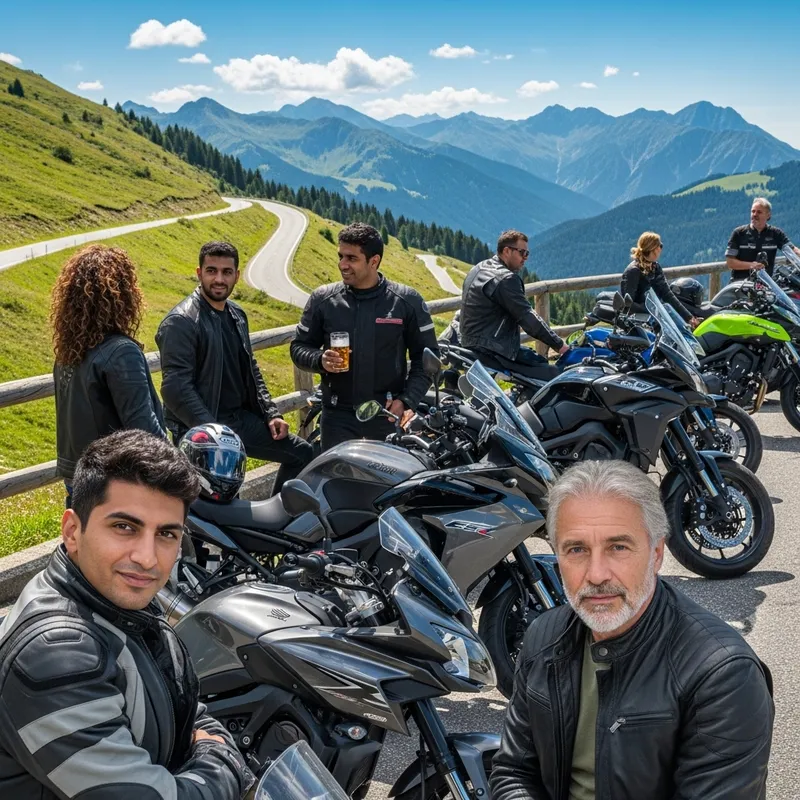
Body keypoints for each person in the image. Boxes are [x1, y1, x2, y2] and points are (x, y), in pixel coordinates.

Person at [491, 459, 773, 800]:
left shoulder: (723, 675)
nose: (596, 575)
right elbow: (514, 770)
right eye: (577, 549)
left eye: (618, 547)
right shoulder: (543, 636)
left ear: (656, 554)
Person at [0, 430, 254, 799]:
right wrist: (223, 758)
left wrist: (208, 744)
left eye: (167, 534)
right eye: (124, 527)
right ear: (72, 531)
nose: (147, 558)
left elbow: (184, 705)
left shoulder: (113, 602)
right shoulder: (55, 654)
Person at [156, 241, 312, 494]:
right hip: (200, 431)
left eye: (226, 272)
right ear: (199, 273)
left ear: (237, 276)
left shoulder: (237, 314)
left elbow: (250, 367)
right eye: (211, 271)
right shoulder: (181, 322)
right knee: (217, 502)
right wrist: (213, 436)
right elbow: (175, 389)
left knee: (302, 453)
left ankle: (277, 523)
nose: (219, 279)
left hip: (238, 421)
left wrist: (271, 413)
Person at [290, 223, 438, 451]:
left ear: (374, 261)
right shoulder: (323, 299)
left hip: (386, 415)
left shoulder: (407, 301)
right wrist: (320, 360)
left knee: (387, 484)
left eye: (351, 258)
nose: (342, 264)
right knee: (338, 482)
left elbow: (427, 360)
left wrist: (406, 401)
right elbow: (299, 347)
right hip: (337, 417)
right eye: (340, 256)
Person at [50, 244, 165, 502]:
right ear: (123, 295)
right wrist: (178, 465)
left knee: (81, 542)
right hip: (116, 483)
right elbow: (144, 427)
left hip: (78, 479)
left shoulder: (69, 353)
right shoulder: (120, 352)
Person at [460, 229, 569, 381]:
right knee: (552, 374)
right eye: (522, 252)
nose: (525, 258)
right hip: (493, 350)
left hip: (472, 345)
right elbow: (527, 318)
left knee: (536, 360)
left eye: (527, 254)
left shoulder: (479, 268)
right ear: (506, 251)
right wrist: (560, 346)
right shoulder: (505, 279)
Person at [620, 232, 699, 328]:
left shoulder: (655, 267)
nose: (661, 249)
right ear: (652, 248)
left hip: (652, 318)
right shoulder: (634, 271)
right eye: (660, 245)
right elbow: (628, 303)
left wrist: (688, 317)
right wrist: (655, 311)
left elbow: (668, 295)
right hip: (637, 321)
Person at [726, 197, 800, 281]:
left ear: (768, 215)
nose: (754, 214)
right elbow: (730, 262)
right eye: (753, 211)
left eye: (759, 212)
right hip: (740, 284)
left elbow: (792, 250)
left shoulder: (776, 233)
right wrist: (751, 265)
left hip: (766, 285)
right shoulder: (739, 233)